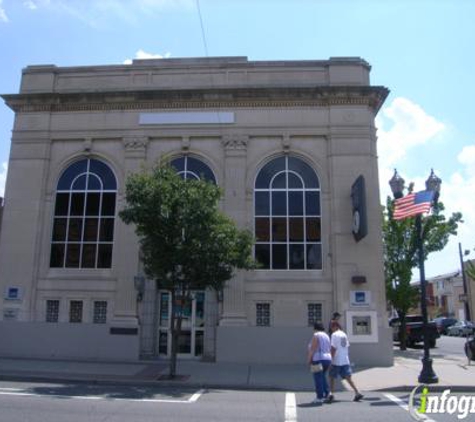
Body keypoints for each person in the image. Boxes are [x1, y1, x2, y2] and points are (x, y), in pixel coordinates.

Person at [324, 320, 364, 403]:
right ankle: (357, 392)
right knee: (348, 377)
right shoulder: (344, 334)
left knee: (331, 377)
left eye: (331, 326)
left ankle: (331, 394)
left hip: (336, 360)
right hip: (345, 360)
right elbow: (346, 346)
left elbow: (333, 348)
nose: (331, 328)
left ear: (334, 326)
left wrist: (330, 359)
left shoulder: (334, 335)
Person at [307, 321, 332, 404]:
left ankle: (319, 397)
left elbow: (313, 348)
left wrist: (309, 359)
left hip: (318, 358)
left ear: (315, 328)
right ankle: (328, 394)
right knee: (323, 377)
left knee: (318, 378)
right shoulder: (327, 336)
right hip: (327, 358)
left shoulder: (316, 335)